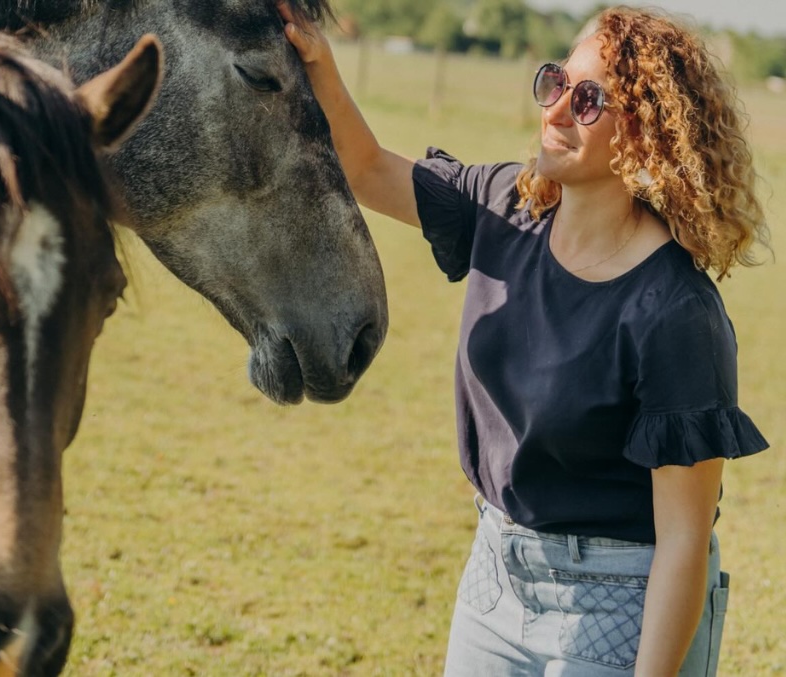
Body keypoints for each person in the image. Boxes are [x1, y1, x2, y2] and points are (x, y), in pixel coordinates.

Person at [278, 3, 771, 675]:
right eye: (555, 82)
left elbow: (683, 541)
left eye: (590, 99)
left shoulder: (675, 311)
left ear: (644, 135)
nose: (558, 108)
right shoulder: (503, 209)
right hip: (497, 579)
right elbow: (366, 169)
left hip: (624, 600)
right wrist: (319, 64)